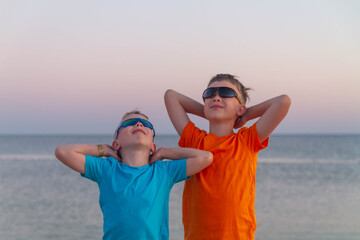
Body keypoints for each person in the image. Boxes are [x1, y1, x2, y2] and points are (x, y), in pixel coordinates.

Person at [164, 74, 291, 240]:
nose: (216, 97)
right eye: (210, 93)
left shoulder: (246, 141)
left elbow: (283, 101)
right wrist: (209, 110)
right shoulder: (194, 140)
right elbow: (171, 96)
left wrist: (244, 115)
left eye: (226, 93)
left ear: (240, 107)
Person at [54, 110, 213, 240]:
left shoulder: (163, 172)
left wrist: (166, 152)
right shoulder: (107, 169)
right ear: (116, 143)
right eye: (129, 123)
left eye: (146, 124)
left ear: (152, 146)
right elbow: (63, 152)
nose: (138, 124)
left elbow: (205, 157)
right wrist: (103, 149)